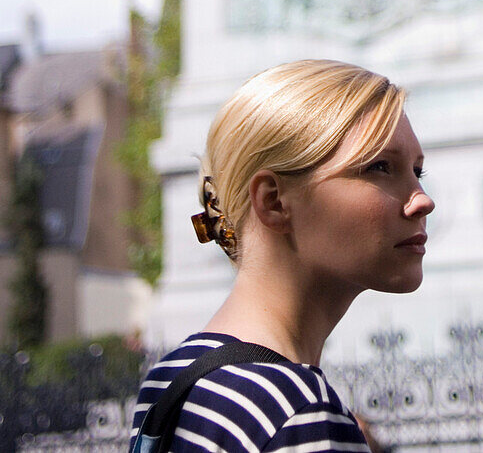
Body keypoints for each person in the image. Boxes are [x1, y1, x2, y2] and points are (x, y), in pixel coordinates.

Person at [129, 58, 434, 452]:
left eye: (417, 172)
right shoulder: (299, 414)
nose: (422, 200)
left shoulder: (173, 376)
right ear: (273, 201)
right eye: (379, 167)